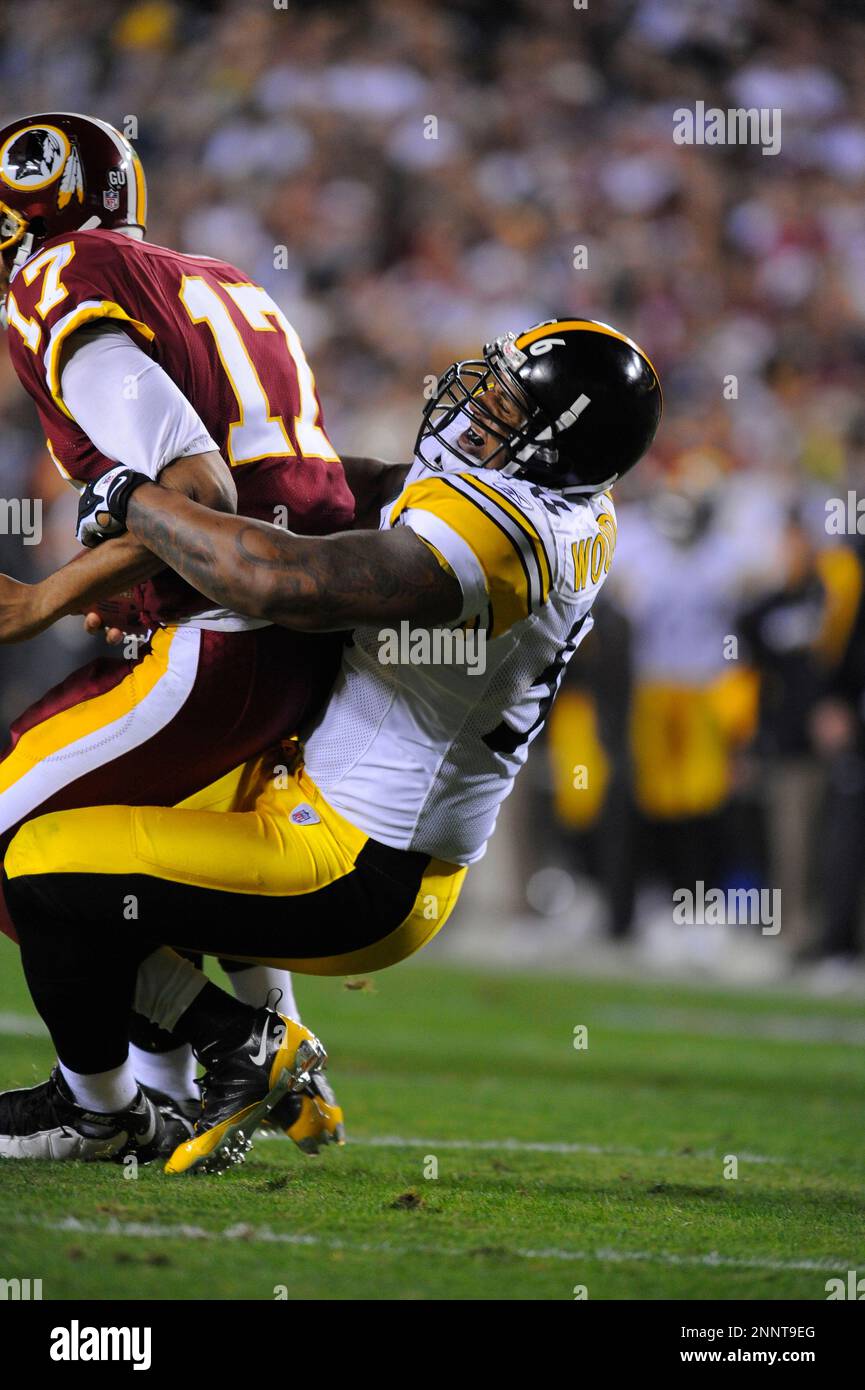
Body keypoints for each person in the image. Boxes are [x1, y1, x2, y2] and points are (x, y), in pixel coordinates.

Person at [0, 316, 662, 1174]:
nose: (478, 407)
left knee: (44, 866)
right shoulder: (550, 496)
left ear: (555, 445)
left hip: (357, 867)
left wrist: (141, 501)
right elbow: (349, 496)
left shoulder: (506, 539)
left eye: (507, 403)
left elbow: (285, 582)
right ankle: (259, 1052)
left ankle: (158, 1083)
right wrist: (179, 541)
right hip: (339, 816)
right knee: (157, 814)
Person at [0, 110, 359, 1152]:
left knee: (22, 849)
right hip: (280, 629)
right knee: (144, 866)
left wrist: (48, 597)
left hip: (226, 634)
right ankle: (246, 1061)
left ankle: (136, 1092)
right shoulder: (219, 279)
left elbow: (197, 488)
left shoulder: (58, 276)